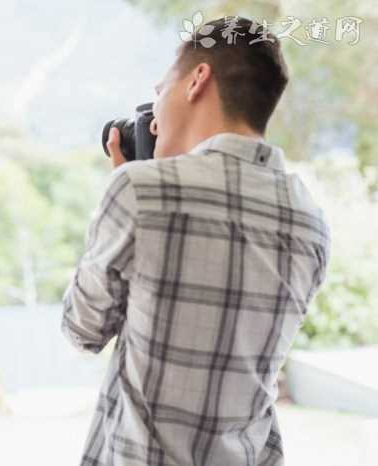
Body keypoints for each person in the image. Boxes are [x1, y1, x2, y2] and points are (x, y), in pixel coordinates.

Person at [62, 16, 330, 466]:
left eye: (159, 90)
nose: (155, 114)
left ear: (197, 80)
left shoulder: (139, 191)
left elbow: (82, 331)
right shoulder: (310, 218)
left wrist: (122, 199)